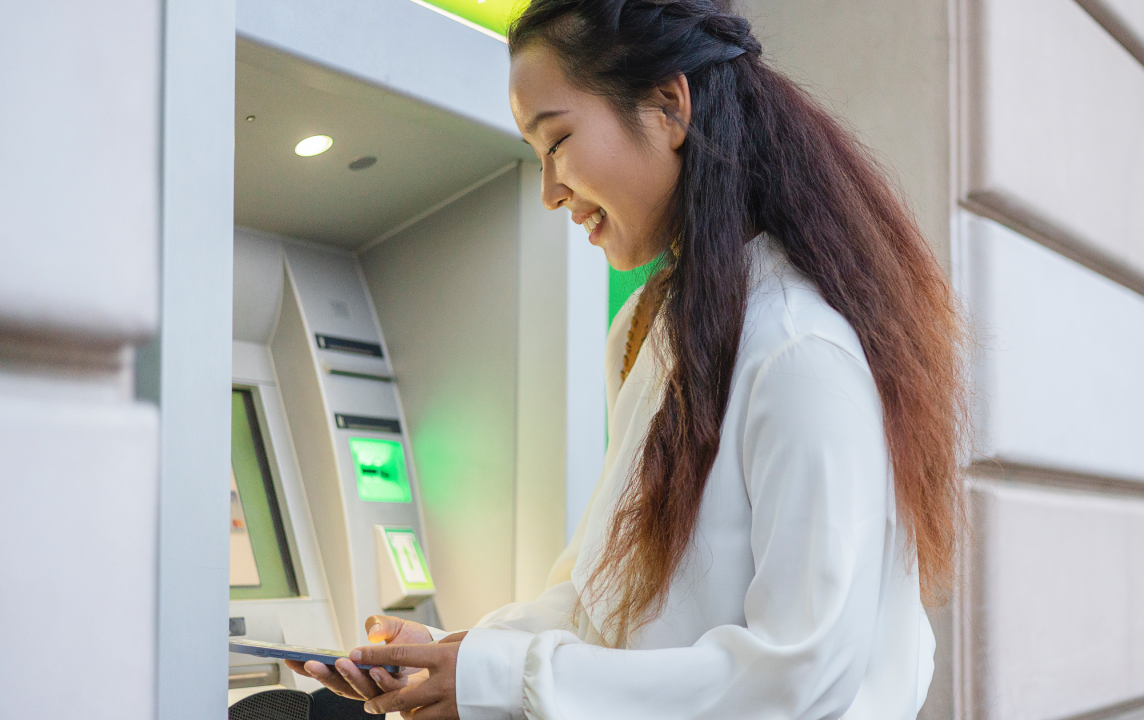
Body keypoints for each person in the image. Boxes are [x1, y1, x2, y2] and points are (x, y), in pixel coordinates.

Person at [286, 1, 968, 718]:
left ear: (669, 107)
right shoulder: (648, 331)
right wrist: (448, 656)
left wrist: (504, 679)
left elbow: (797, 680)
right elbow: (602, 601)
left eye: (557, 142)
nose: (549, 191)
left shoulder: (798, 352)